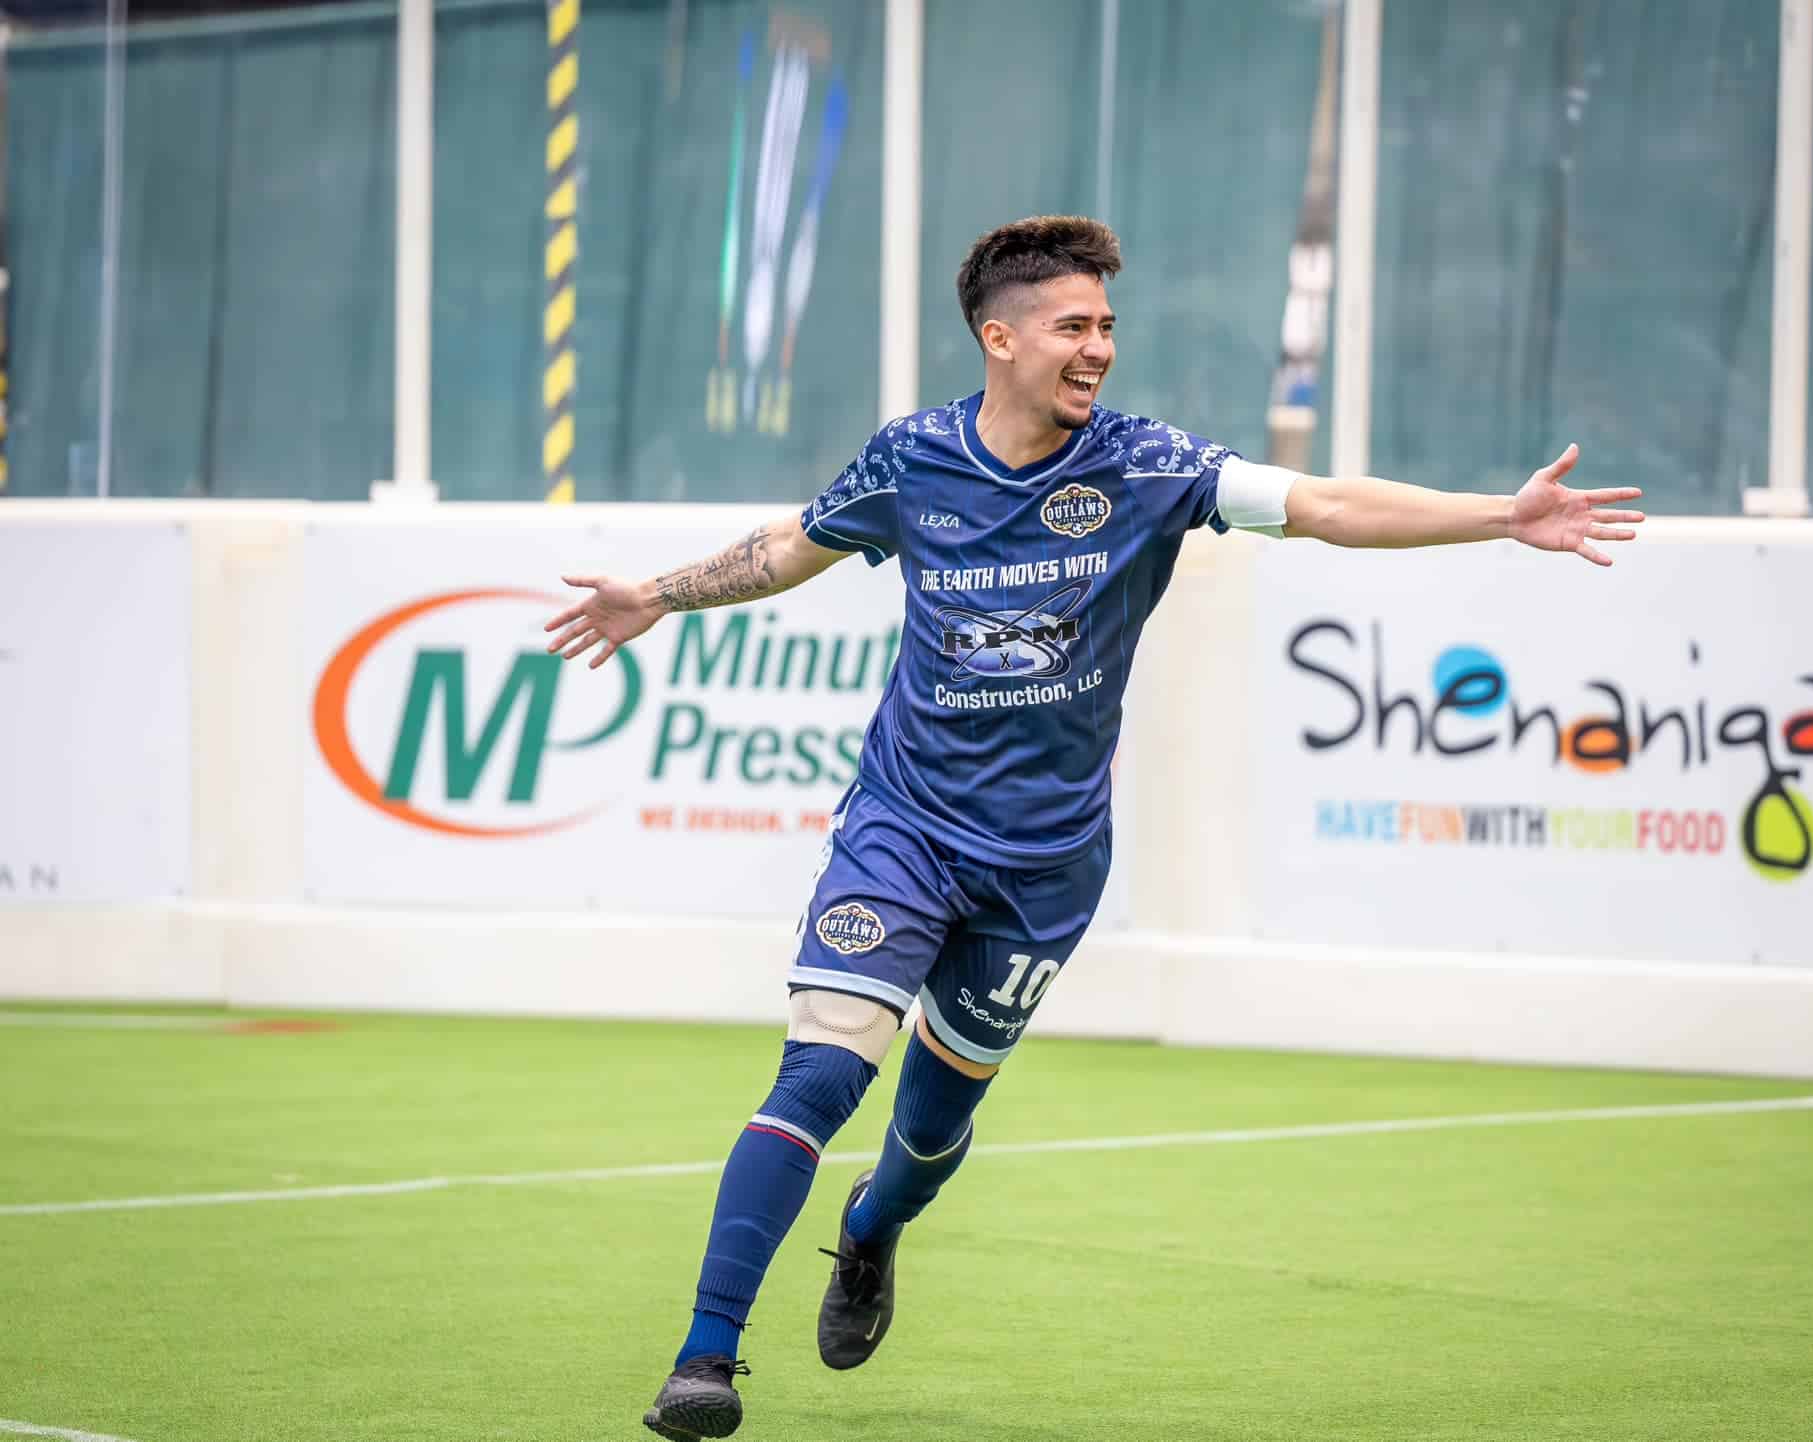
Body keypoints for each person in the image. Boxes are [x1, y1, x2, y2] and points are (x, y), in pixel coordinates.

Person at [543, 215, 1645, 1440]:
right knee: (820, 1069)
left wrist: (1498, 514)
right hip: (901, 828)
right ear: (997, 336)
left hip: (1046, 866)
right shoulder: (912, 458)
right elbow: (790, 548)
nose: (1098, 348)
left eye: (1107, 326)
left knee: (927, 1128)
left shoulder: (1145, 462)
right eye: (1074, 325)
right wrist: (656, 590)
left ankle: (870, 1231)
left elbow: (1325, 503)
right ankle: (706, 1357)